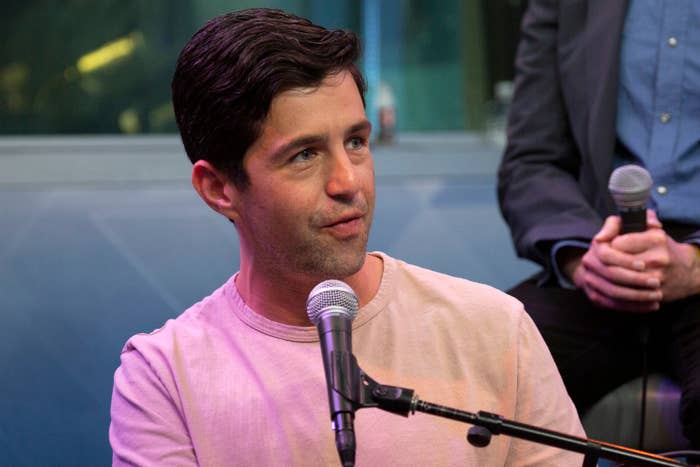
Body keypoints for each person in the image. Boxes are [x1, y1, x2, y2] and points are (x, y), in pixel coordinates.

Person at [109, 8, 584, 466]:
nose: (348, 182)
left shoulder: (495, 328)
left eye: (356, 142)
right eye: (304, 155)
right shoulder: (163, 379)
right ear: (218, 188)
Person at [498, 0, 700, 448]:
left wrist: (694, 266)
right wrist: (581, 257)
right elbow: (531, 161)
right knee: (472, 369)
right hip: (598, 252)